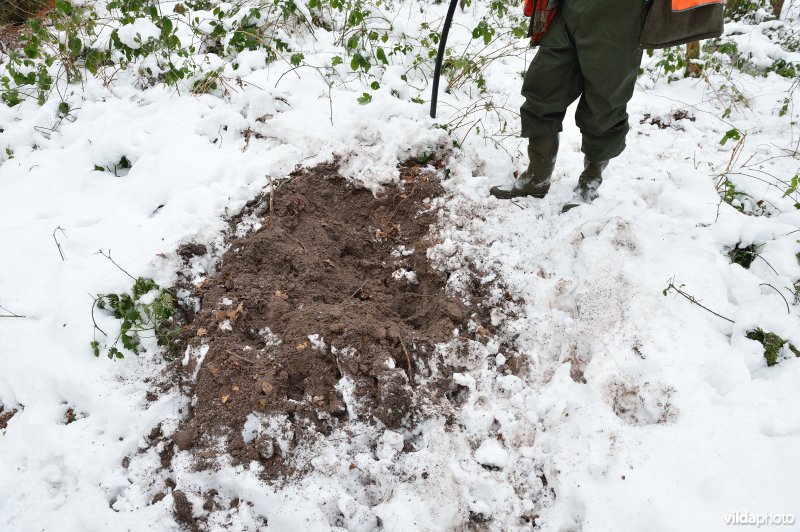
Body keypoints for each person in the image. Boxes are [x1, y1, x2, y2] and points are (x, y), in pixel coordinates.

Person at [489, 0, 647, 211]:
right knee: (542, 88)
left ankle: (590, 182)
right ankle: (537, 178)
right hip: (569, 10)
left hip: (620, 15)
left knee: (604, 104)